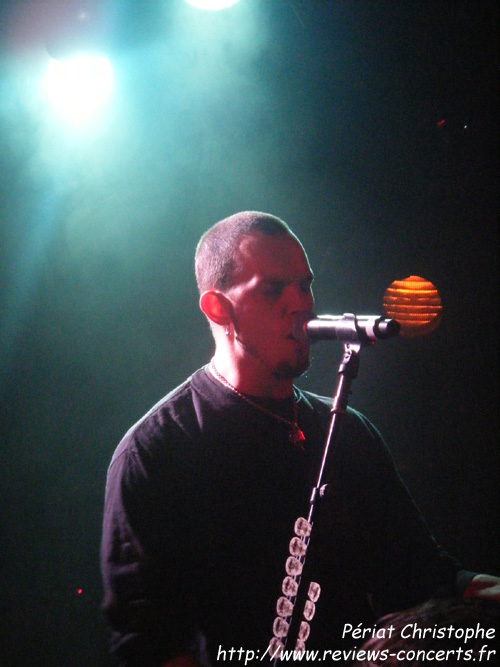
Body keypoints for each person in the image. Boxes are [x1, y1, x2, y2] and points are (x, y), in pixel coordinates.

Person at [100, 211, 499, 667]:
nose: (301, 303)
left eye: (305, 285)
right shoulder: (156, 453)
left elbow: (423, 573)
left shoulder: (347, 432)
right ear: (218, 308)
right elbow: (148, 642)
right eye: (274, 289)